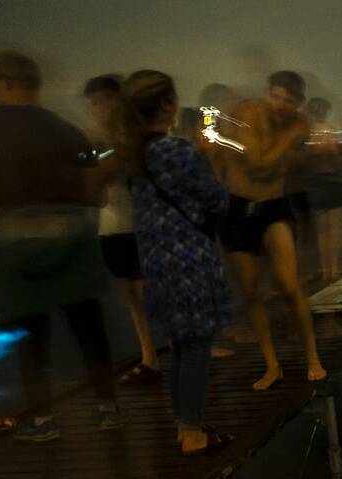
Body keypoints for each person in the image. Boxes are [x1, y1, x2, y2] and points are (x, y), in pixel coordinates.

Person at [0, 50, 125, 442]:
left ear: (6, 85)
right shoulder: (68, 132)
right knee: (89, 328)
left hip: (16, 248)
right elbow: (95, 194)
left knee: (33, 337)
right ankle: (108, 408)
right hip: (72, 245)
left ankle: (41, 420)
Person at [112, 70, 235, 455]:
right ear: (166, 105)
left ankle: (185, 427)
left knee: (179, 348)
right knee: (196, 347)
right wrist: (210, 161)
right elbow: (217, 199)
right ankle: (193, 433)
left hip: (155, 259)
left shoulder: (134, 154)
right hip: (188, 257)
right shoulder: (175, 151)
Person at [206, 70, 326, 390]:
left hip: (273, 207)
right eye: (275, 96)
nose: (280, 105)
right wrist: (285, 141)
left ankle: (312, 356)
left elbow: (265, 165)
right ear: (267, 93)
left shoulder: (300, 125)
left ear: (298, 103)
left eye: (288, 100)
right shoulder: (250, 112)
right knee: (250, 290)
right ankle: (272, 365)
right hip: (236, 209)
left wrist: (282, 146)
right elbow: (256, 165)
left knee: (289, 285)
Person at [84, 74, 161, 385]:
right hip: (111, 225)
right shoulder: (94, 139)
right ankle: (149, 356)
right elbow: (94, 186)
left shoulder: (138, 135)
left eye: (106, 100)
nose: (101, 108)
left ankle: (186, 348)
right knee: (131, 293)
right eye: (95, 103)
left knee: (150, 291)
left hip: (141, 223)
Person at [304, 97, 342, 282]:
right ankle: (334, 268)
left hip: (315, 181)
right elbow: (336, 157)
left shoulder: (307, 132)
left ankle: (324, 270)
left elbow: (305, 158)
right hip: (332, 180)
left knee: (322, 230)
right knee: (334, 229)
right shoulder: (329, 130)